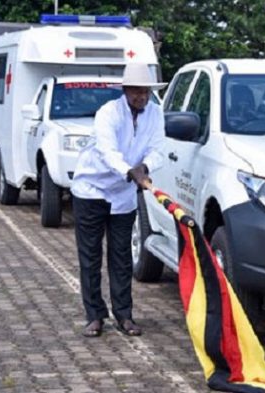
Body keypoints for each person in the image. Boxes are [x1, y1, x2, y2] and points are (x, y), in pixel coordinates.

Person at [70, 62, 167, 337]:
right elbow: (107, 150)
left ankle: (124, 315)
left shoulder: (155, 114)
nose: (142, 97)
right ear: (125, 91)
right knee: (90, 256)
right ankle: (94, 315)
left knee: (121, 256)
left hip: (124, 194)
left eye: (146, 92)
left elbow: (158, 148)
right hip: (92, 189)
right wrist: (130, 171)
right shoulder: (108, 113)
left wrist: (145, 168)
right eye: (136, 92)